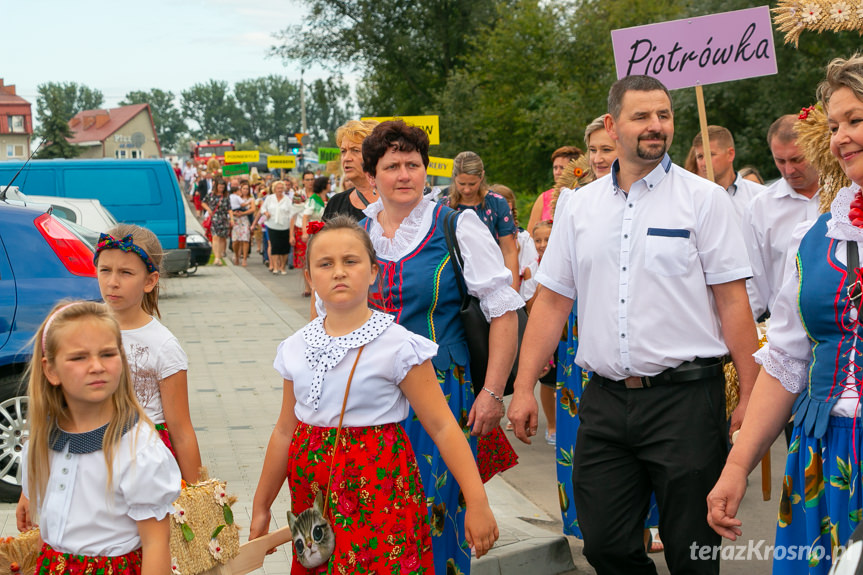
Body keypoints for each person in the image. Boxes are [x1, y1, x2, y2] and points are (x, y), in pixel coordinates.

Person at [508, 75, 759, 575]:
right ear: (611, 124)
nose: (656, 126)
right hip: (603, 402)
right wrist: (520, 386)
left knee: (693, 554)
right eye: (642, 116)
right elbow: (553, 301)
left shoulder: (704, 200)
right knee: (602, 543)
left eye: (663, 115)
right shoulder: (579, 206)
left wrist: (750, 396)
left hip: (686, 402)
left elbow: (734, 304)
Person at [249, 216, 499, 572]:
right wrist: (261, 506)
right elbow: (284, 431)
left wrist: (477, 502)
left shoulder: (398, 345)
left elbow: (443, 426)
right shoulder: (295, 346)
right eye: (325, 264)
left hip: (380, 491)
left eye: (350, 261)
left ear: (373, 272)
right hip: (313, 497)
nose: (338, 272)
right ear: (309, 277)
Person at [336, 120, 522, 574]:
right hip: (371, 400)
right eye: (392, 165)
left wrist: (493, 392)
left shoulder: (456, 225)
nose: (404, 175)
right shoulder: (357, 234)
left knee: (436, 517)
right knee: (377, 518)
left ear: (425, 171)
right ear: (372, 173)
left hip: (443, 394)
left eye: (413, 165)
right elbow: (331, 319)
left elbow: (503, 311)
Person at [706, 54, 863, 574]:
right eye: (835, 125)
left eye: (855, 120)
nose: (840, 137)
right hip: (823, 449)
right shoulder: (818, 238)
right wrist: (736, 467)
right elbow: (788, 360)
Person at [16, 301, 181, 575]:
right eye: (79, 357)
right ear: (51, 370)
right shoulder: (42, 439)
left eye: (107, 354)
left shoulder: (137, 448)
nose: (96, 366)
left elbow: (156, 544)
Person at [94, 224, 202, 481]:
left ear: (150, 281)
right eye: (105, 270)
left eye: (126, 272)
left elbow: (182, 429)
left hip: (144, 466)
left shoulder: (163, 344)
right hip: (92, 457)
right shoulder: (81, 329)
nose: (112, 282)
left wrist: (201, 495)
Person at [744, 114, 821, 321]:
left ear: (815, 148)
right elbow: (753, 286)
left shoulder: (847, 193)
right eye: (780, 161)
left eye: (797, 159)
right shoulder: (760, 208)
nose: (789, 170)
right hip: (787, 331)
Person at [448, 152, 520, 291]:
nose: (467, 189)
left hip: (492, 281)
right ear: (454, 177)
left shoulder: (497, 203)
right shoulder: (445, 206)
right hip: (455, 283)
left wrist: (513, 291)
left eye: (472, 183)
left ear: (482, 176)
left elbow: (509, 250)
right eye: (461, 184)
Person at [692, 126, 766, 221]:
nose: (704, 163)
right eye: (700, 157)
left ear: (730, 154)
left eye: (711, 154)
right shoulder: (693, 202)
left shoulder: (759, 196)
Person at [322, 120, 380, 222]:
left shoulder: (395, 200)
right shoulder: (336, 203)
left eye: (355, 150)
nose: (346, 158)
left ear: (375, 154)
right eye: (343, 151)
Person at [527, 146, 583, 234]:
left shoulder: (583, 195)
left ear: (575, 170)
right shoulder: (543, 198)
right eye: (555, 168)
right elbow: (530, 236)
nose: (557, 172)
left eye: (562, 168)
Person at [299, 177, 328, 297]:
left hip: (326, 233)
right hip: (314, 232)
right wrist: (304, 232)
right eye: (329, 183)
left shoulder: (329, 198)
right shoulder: (313, 200)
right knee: (310, 260)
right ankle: (308, 286)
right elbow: (305, 217)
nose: (330, 185)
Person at [261, 180, 292, 275]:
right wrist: (266, 213)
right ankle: (275, 266)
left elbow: (291, 213)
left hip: (284, 226)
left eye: (282, 188)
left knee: (284, 248)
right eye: (278, 188)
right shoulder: (269, 198)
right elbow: (263, 208)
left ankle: (282, 267)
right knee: (274, 246)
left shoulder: (287, 199)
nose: (280, 190)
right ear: (274, 189)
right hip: (272, 225)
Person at [202, 178, 231, 266]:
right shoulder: (210, 195)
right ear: (216, 186)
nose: (221, 189)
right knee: (215, 237)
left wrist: (232, 219)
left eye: (223, 187)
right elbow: (203, 202)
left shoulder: (226, 196)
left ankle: (219, 256)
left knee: (222, 238)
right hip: (214, 218)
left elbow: (229, 208)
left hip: (223, 219)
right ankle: (216, 257)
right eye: (219, 187)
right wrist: (208, 209)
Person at [230, 181, 254, 266]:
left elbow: (252, 209)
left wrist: (243, 213)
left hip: (245, 220)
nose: (245, 190)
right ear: (240, 189)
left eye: (247, 189)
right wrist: (233, 214)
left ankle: (244, 258)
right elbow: (229, 208)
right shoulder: (235, 197)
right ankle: (236, 255)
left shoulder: (251, 199)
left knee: (245, 239)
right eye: (244, 188)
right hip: (236, 220)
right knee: (236, 240)